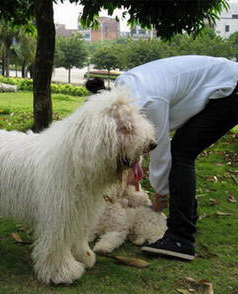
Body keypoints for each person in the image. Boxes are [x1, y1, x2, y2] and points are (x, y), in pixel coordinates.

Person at [86, 55, 238, 260]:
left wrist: (162, 192)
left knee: (181, 153)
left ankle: (180, 238)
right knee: (182, 150)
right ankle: (186, 218)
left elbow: (160, 151)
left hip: (231, 88)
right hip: (225, 83)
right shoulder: (124, 91)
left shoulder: (148, 101)